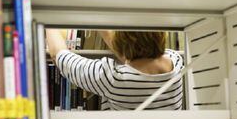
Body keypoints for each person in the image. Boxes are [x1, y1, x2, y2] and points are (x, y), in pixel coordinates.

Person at [46, 30, 184, 113]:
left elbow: (60, 56)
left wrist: (48, 16)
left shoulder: (113, 79)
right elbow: (134, 55)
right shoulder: (176, 62)